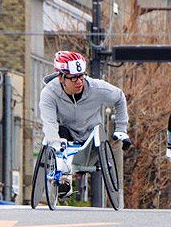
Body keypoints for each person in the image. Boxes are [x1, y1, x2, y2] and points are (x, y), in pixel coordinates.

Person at [39, 51, 131, 198]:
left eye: (81, 76)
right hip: (66, 136)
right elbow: (49, 122)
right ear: (61, 77)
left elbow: (119, 97)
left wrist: (121, 129)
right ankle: (64, 181)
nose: (79, 81)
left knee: (95, 132)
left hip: (91, 138)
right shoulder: (49, 93)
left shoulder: (97, 88)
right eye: (74, 78)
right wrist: (55, 145)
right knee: (58, 135)